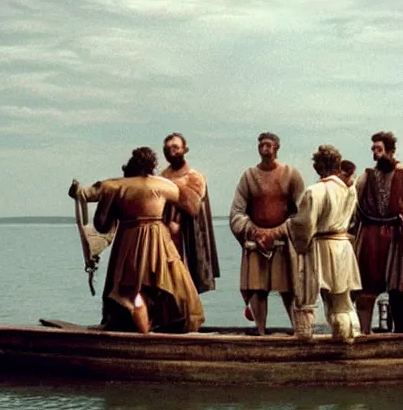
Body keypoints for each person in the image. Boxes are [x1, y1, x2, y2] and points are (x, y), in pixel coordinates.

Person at [70, 147, 205, 334]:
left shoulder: (115, 185)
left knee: (131, 290)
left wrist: (76, 191)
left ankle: (143, 333)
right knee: (162, 285)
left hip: (129, 240)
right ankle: (150, 330)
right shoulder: (164, 185)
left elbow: (85, 196)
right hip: (159, 240)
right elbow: (191, 203)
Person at [229, 132, 305, 335]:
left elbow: (302, 212)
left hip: (283, 244)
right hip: (256, 244)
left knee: (288, 289)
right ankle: (261, 333)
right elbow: (236, 212)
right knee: (257, 289)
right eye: (261, 145)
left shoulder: (291, 174)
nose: (264, 149)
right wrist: (254, 232)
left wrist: (278, 232)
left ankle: (299, 331)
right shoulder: (249, 176)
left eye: (268, 145)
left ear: (277, 147)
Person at [288, 145, 362, 343]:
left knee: (311, 294)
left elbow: (304, 225)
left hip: (322, 247)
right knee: (342, 299)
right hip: (344, 246)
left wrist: (290, 226)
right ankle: (348, 337)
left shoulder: (315, 191)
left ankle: (306, 338)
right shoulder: (349, 190)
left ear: (318, 167)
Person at [353, 131, 403, 333]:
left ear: (390, 151)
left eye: (379, 149)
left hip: (397, 237)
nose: (375, 153)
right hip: (371, 236)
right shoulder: (366, 177)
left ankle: (399, 333)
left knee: (398, 287)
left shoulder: (402, 174)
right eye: (373, 149)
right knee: (367, 287)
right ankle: (365, 333)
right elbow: (354, 205)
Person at [160, 133, 220, 294]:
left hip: (188, 236)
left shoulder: (195, 177)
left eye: (176, 148)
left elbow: (192, 205)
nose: (172, 152)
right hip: (165, 235)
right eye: (168, 149)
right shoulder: (161, 177)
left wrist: (171, 188)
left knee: (187, 280)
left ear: (184, 149)